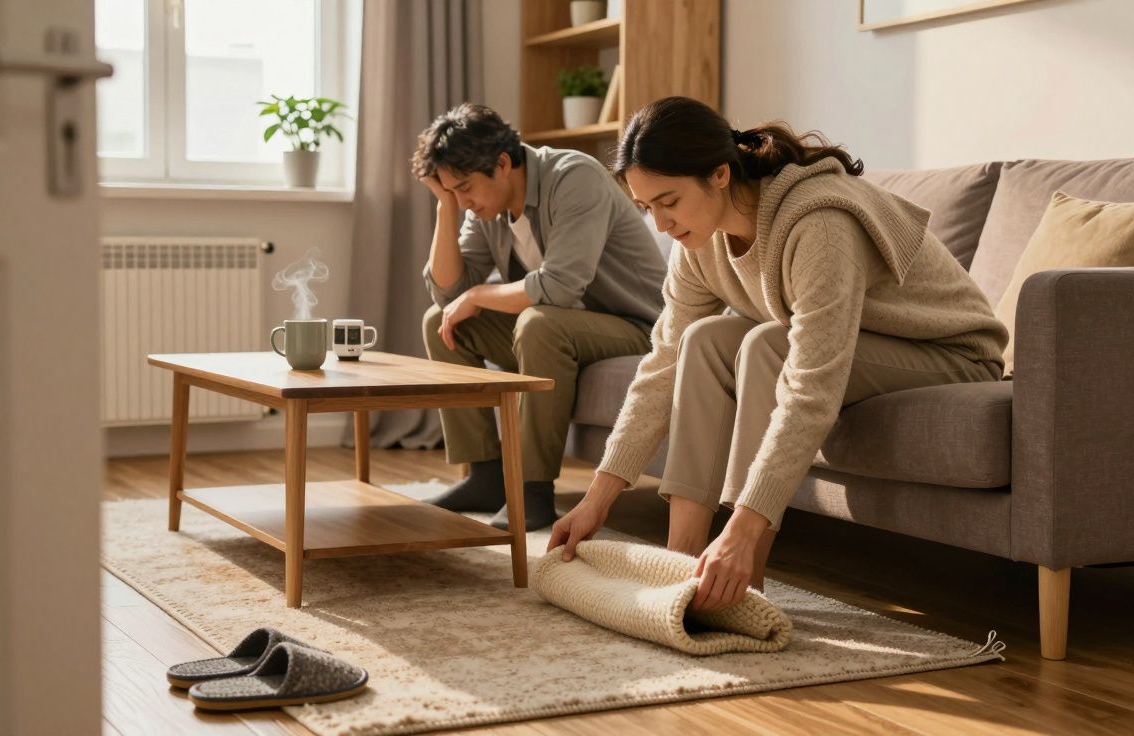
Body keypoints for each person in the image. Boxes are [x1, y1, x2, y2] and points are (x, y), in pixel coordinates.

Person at [548, 96, 1009, 613]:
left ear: (719, 174)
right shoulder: (696, 244)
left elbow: (811, 384)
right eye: (646, 206)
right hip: (863, 347)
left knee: (768, 343)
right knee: (703, 341)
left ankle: (744, 584)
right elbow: (663, 363)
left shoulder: (819, 222)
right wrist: (597, 499)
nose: (660, 224)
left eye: (669, 201)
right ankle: (679, 562)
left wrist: (744, 526)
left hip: (952, 355)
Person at [412, 103, 668, 531]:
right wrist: (445, 208)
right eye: (450, 190)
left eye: (465, 188)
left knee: (539, 322)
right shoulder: (485, 211)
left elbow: (560, 287)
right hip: (566, 330)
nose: (464, 201)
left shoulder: (574, 177)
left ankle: (533, 492)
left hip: (638, 326)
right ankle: (486, 476)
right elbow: (448, 292)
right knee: (440, 323)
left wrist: (478, 293)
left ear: (502, 163)